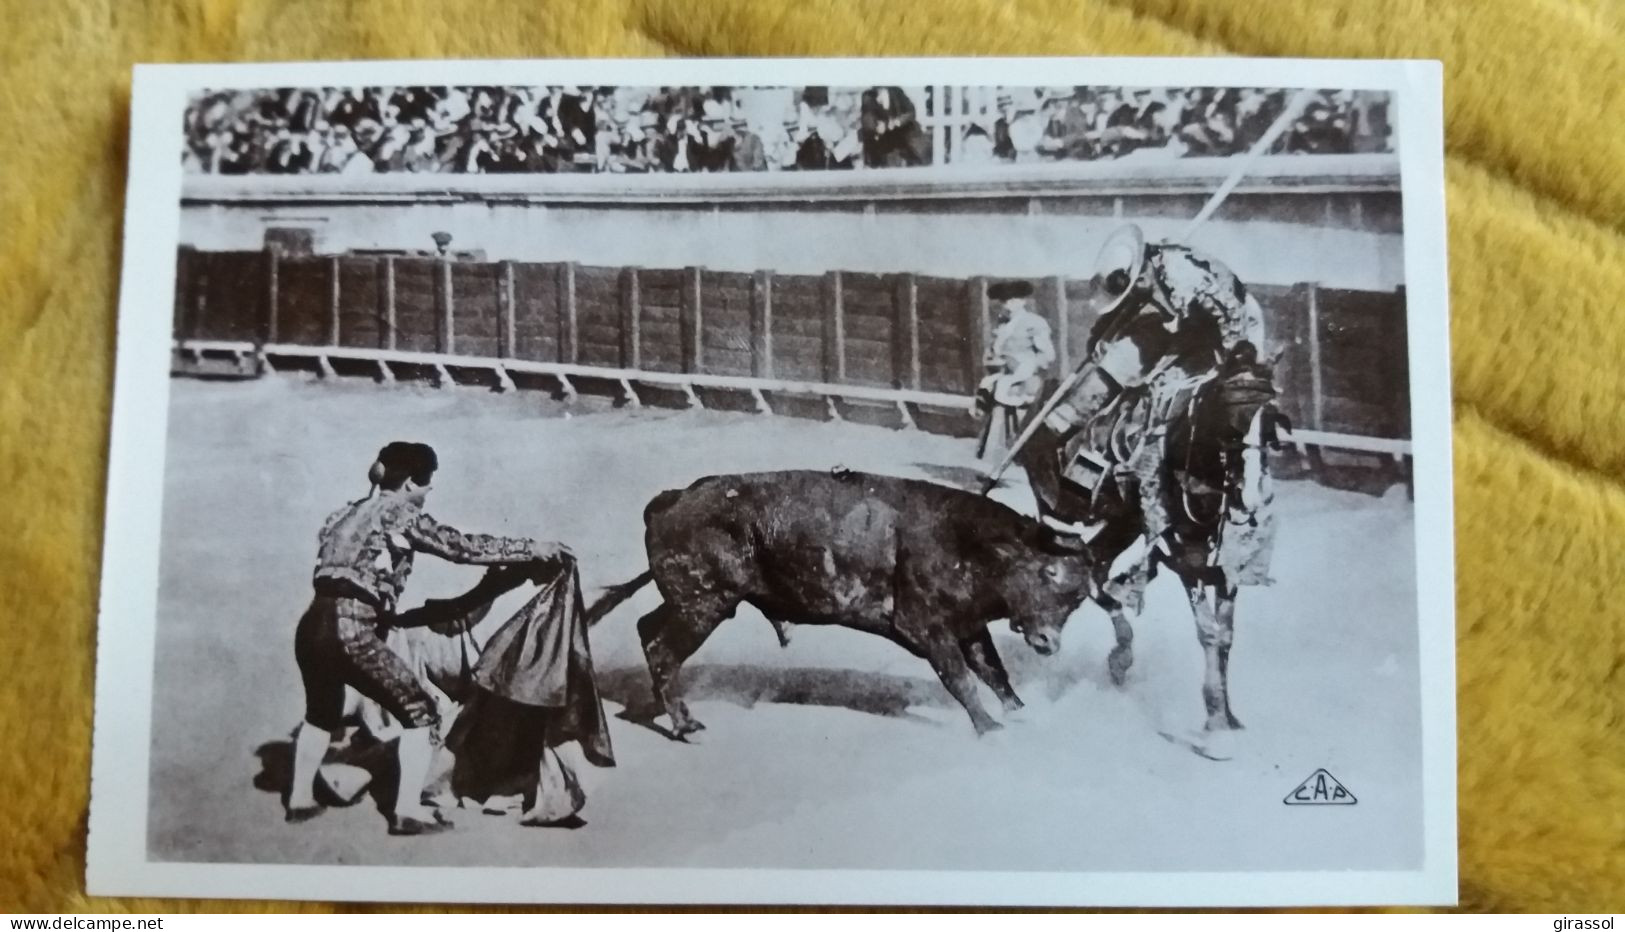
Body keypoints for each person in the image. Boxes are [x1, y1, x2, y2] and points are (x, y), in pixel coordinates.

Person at [286, 441, 570, 835]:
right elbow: (459, 547)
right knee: (420, 712)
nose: (427, 492)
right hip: (352, 627)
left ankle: (300, 800)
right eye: (426, 484)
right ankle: (406, 812)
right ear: (410, 485)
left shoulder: (344, 514)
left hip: (312, 625)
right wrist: (530, 548)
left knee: (321, 711)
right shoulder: (400, 513)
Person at [974, 281, 1056, 458]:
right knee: (997, 420)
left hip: (1026, 381)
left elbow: (1047, 355)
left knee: (1024, 426)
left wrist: (1026, 367)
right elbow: (994, 351)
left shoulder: (1034, 323)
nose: (1007, 305)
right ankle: (994, 467)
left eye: (1013, 300)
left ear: (1023, 301)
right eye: (1004, 301)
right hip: (1004, 379)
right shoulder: (1002, 324)